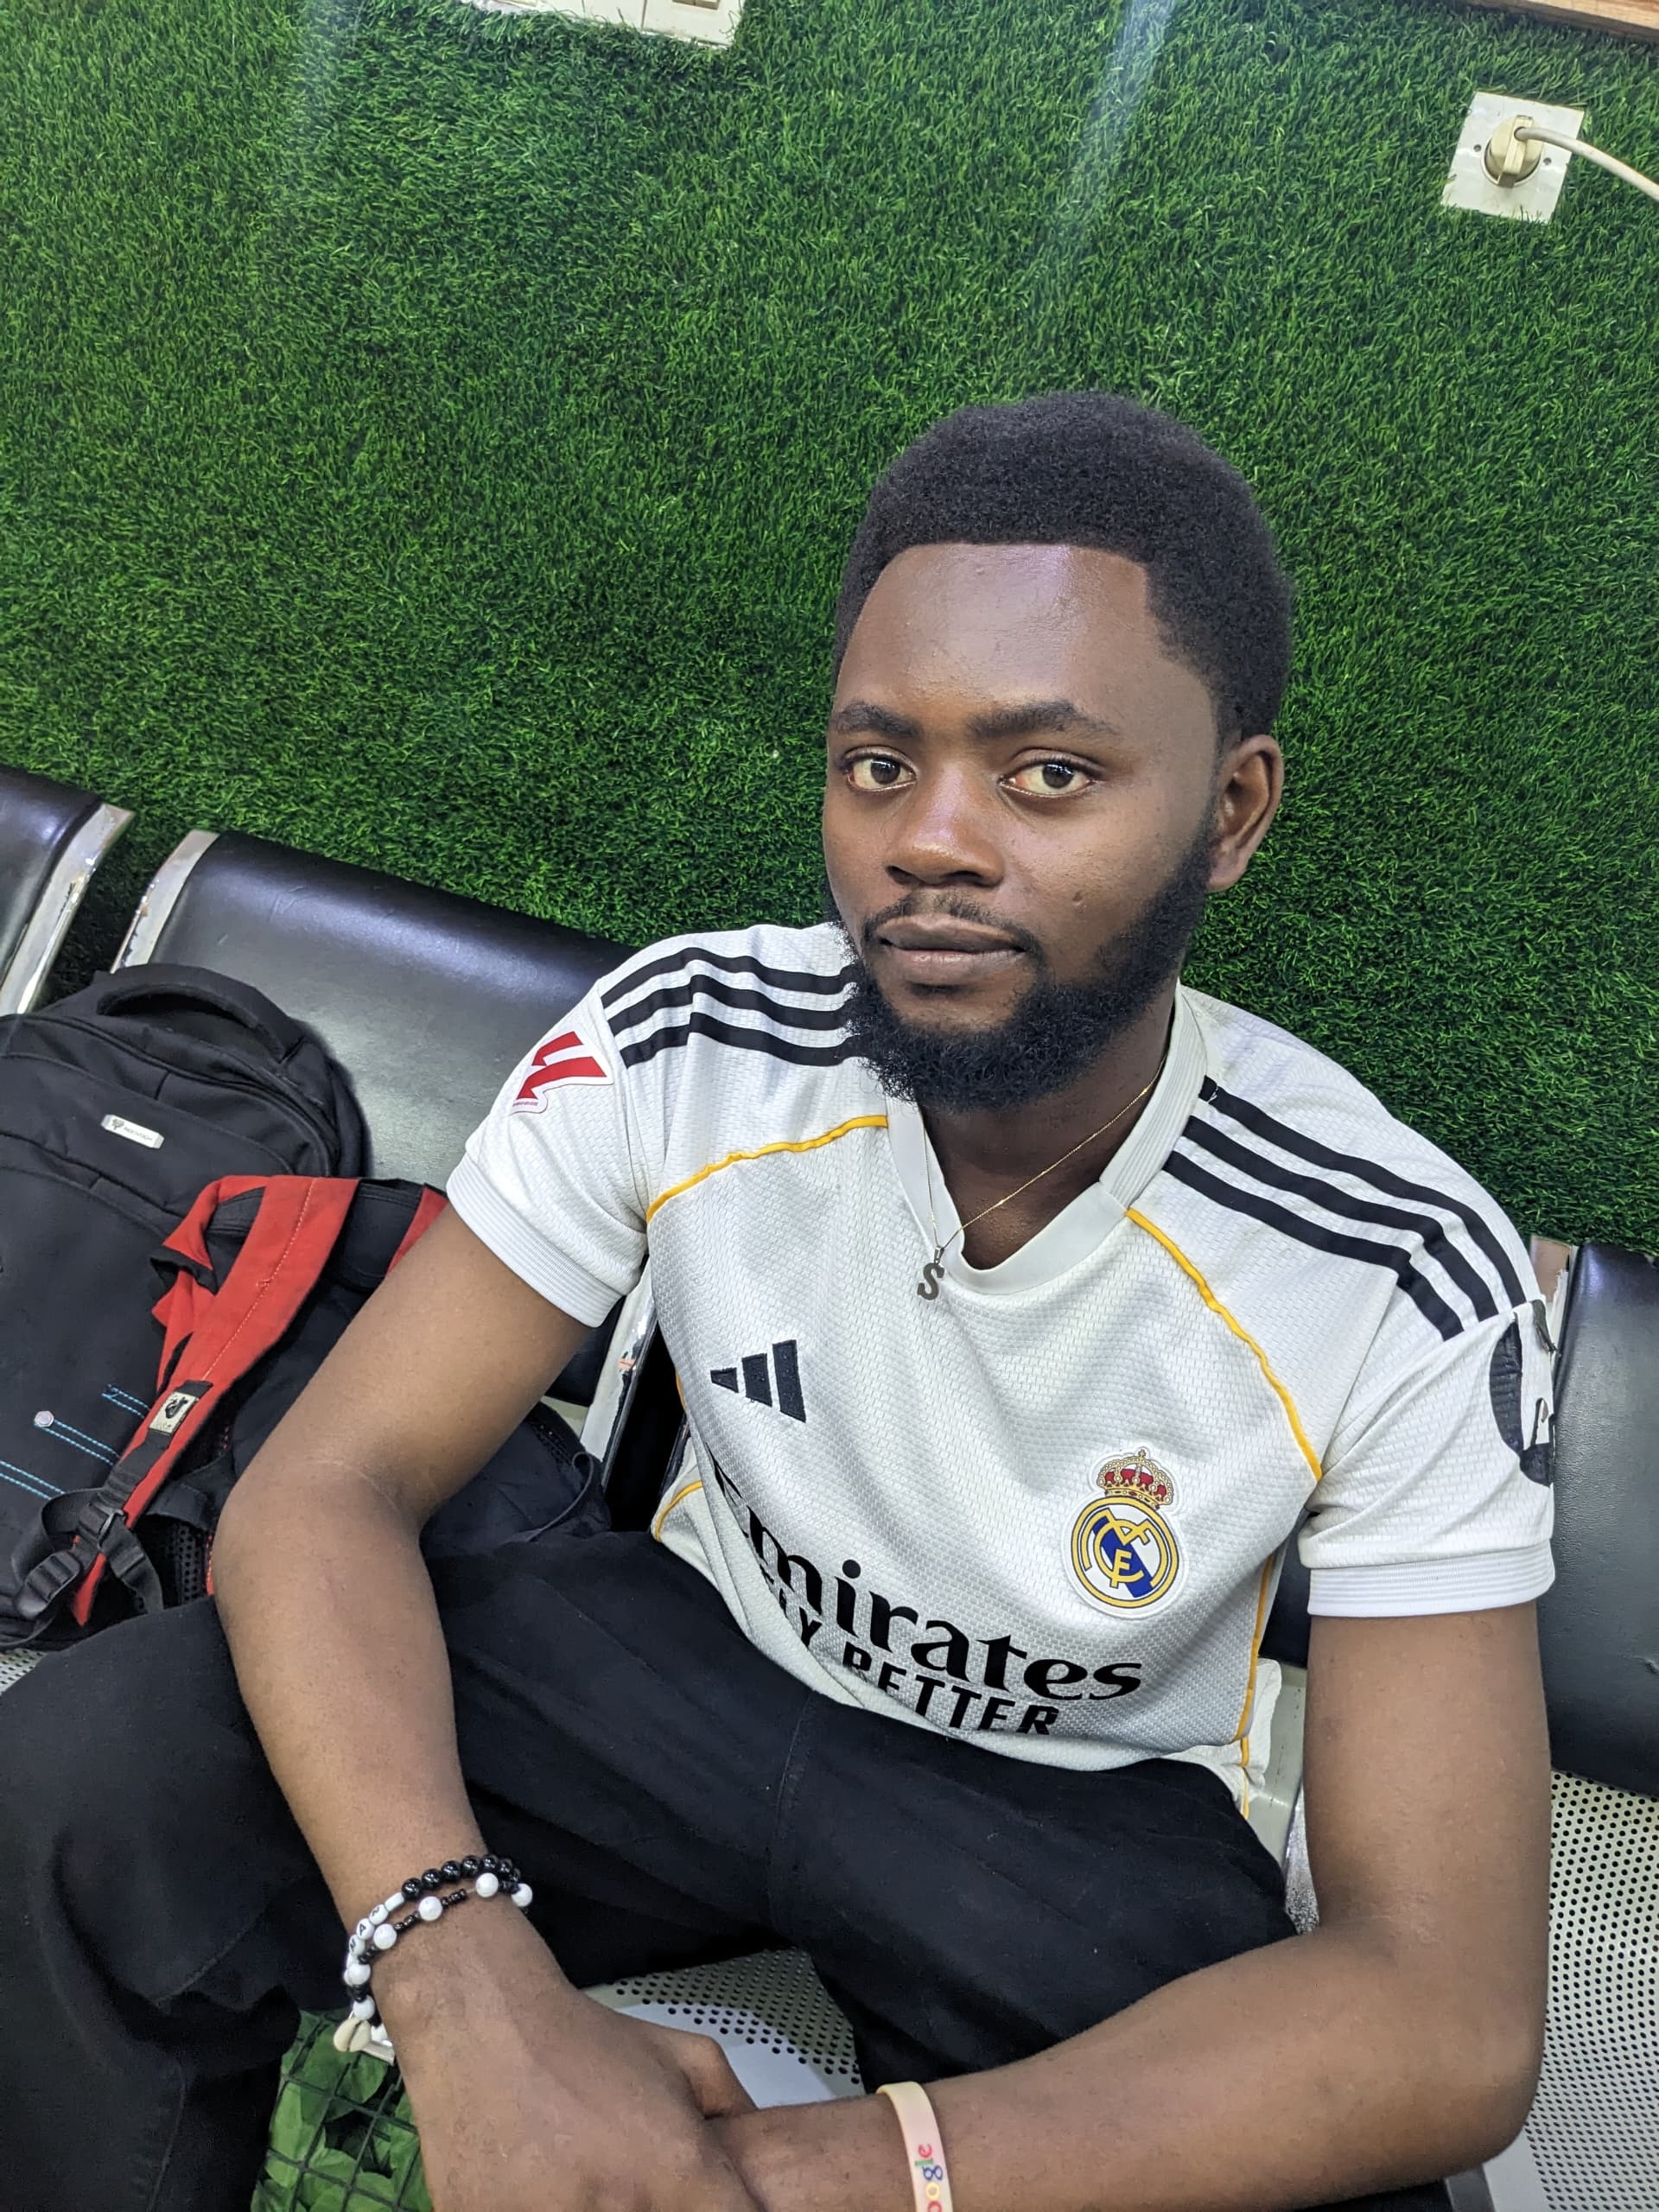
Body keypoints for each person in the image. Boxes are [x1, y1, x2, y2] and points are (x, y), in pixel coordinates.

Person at [0, 391, 1555, 2212]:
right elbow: (328, 1488)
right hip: (673, 1668)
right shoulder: (687, 1042)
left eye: (1049, 774)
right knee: (80, 1790)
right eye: (879, 762)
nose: (932, 841)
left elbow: (1442, 2006)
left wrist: (816, 2176)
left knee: (1341, 2162)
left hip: (1061, 1807)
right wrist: (461, 1973)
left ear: (1230, 811)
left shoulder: (1394, 1262)